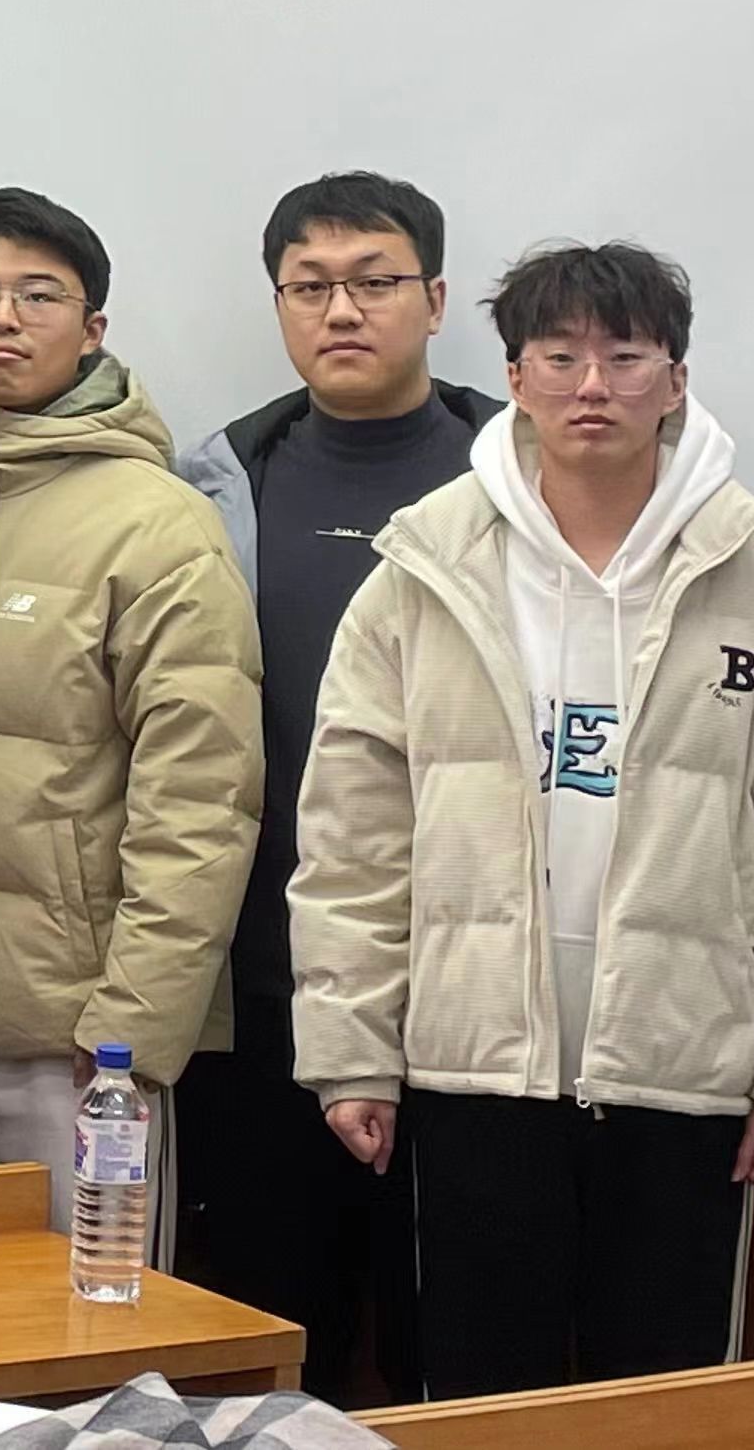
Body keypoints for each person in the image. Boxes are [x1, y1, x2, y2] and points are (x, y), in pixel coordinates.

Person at [290, 239, 754, 1396]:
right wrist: (350, 1048)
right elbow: (351, 841)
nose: (591, 384)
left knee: (664, 1404)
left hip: (682, 1069)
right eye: (559, 354)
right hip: (472, 1067)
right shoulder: (422, 569)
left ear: (675, 379)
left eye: (625, 356)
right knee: (481, 1400)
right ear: (513, 376)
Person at [0, 188, 259, 1238]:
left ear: (92, 329)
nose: (2, 316)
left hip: (74, 1042)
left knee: (88, 1321)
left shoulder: (159, 525)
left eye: (38, 295)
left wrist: (137, 1019)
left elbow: (203, 799)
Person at [171, 169, 499, 1399]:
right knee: (269, 1335)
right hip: (266, 985)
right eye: (309, 285)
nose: (341, 308)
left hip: (472, 990)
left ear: (436, 300)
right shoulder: (218, 485)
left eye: (374, 280)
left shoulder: (511, 476)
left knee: (453, 1348)